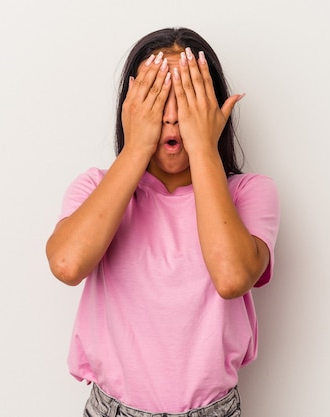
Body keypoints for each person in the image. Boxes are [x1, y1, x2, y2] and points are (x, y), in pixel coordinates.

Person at [46, 27, 280, 417]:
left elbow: (231, 277)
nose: (172, 115)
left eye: (187, 96)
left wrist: (203, 144)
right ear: (132, 106)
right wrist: (137, 145)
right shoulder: (95, 187)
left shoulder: (250, 193)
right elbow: (67, 265)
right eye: (158, 97)